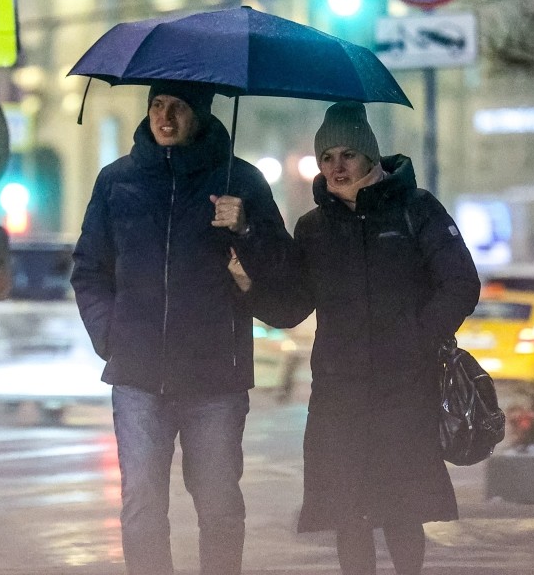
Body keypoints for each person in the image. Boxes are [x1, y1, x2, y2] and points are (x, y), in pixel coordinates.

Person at [70, 82, 294, 575]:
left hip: (215, 378)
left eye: (177, 107)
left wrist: (245, 228)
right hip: (138, 377)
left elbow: (282, 272)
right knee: (142, 507)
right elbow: (89, 269)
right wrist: (111, 336)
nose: (164, 117)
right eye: (156, 106)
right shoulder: (117, 182)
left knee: (218, 506)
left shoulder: (243, 182)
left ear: (202, 115)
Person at [275, 101, 481, 575]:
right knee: (348, 514)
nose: (337, 167)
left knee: (401, 511)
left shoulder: (416, 210)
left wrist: (417, 338)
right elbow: (289, 306)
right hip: (338, 392)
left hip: (403, 388)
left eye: (348, 154)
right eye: (327, 157)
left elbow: (460, 284)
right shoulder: (313, 228)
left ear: (370, 156)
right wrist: (245, 270)